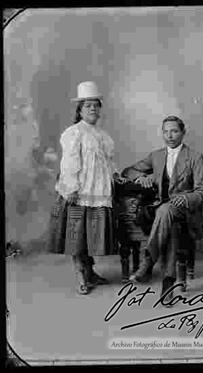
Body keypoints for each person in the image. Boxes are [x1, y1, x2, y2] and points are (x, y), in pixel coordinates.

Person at [122, 115, 203, 298]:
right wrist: (144, 178)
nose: (169, 136)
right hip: (162, 211)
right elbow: (129, 171)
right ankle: (168, 285)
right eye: (166, 131)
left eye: (174, 131)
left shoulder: (195, 157)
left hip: (185, 210)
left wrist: (186, 199)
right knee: (169, 223)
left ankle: (148, 261)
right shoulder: (157, 155)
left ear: (183, 133)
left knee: (166, 211)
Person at [55, 81, 126, 295]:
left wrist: (115, 174)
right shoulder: (74, 133)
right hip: (79, 192)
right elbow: (69, 163)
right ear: (79, 110)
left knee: (90, 234)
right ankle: (81, 275)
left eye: (96, 105)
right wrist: (72, 188)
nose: (93, 109)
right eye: (88, 106)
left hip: (98, 192)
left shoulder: (102, 135)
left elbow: (108, 162)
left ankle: (90, 271)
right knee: (77, 235)